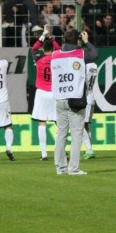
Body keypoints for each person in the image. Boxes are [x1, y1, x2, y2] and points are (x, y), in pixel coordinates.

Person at [51, 29, 98, 175]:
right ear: (77, 40)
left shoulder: (55, 55)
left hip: (59, 98)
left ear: (64, 39)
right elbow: (95, 54)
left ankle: (60, 168)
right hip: (75, 99)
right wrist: (86, 41)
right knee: (77, 134)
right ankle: (73, 168)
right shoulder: (80, 54)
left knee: (61, 134)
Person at [31, 26, 59, 161]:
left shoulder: (39, 58)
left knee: (42, 122)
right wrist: (52, 38)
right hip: (54, 92)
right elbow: (59, 49)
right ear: (52, 49)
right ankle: (59, 150)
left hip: (42, 92)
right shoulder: (57, 58)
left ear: (43, 49)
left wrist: (43, 35)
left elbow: (33, 49)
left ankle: (44, 154)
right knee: (58, 122)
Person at [81, 60, 99, 159]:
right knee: (85, 125)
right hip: (91, 97)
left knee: (81, 125)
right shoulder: (94, 66)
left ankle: (89, 150)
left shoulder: (85, 67)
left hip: (85, 98)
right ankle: (88, 149)